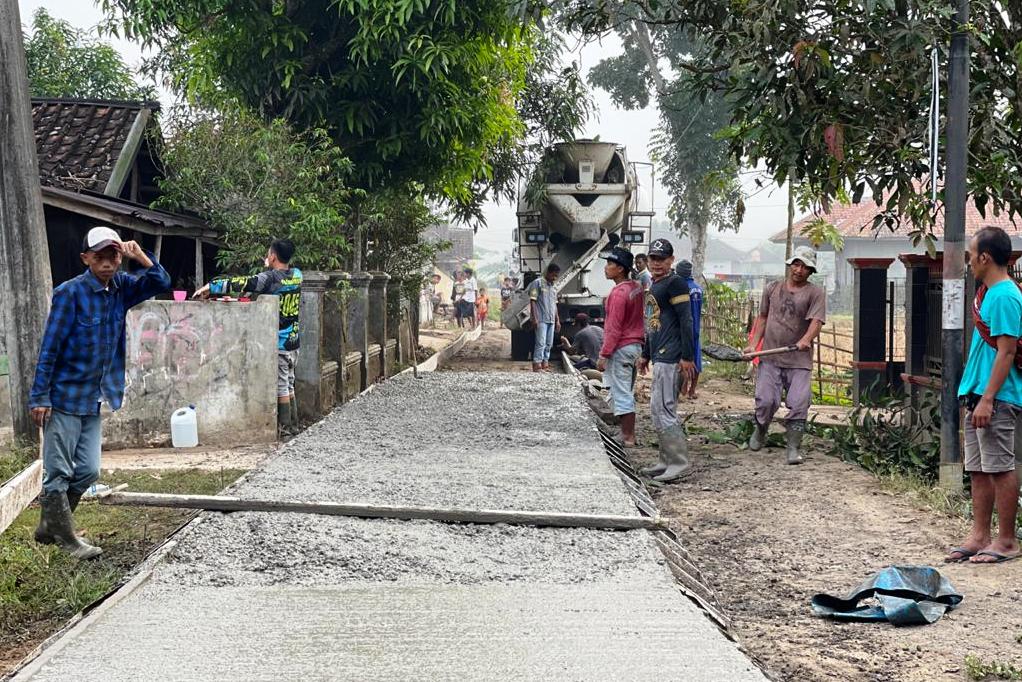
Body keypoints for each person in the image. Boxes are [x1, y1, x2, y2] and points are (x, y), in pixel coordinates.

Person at [30, 226, 171, 559]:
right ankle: (67, 541)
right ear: (86, 259)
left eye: (114, 255)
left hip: (94, 395)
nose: (108, 263)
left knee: (89, 471)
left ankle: (49, 525)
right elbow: (50, 347)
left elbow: (160, 282)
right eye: (100, 256)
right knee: (59, 471)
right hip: (64, 395)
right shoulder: (70, 293)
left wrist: (140, 255)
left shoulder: (121, 288)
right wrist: (40, 396)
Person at [946, 226, 1022, 564]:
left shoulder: (1005, 296)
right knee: (978, 468)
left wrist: (989, 398)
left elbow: (1007, 352)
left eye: (971, 255)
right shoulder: (988, 293)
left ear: (984, 257)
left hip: (998, 396)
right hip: (977, 391)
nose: (969, 261)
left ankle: (1006, 540)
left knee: (1000, 467)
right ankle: (980, 535)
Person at [194, 239, 303, 435]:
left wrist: (212, 286)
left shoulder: (269, 278)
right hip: (294, 342)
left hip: (278, 343)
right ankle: (295, 426)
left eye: (268, 253)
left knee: (281, 387)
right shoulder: (297, 275)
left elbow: (244, 282)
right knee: (289, 383)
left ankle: (286, 430)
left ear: (273, 256)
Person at [744, 245, 825, 465]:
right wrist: (753, 345)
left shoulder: (815, 293)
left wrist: (806, 340)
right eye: (796, 264)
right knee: (766, 400)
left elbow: (816, 322)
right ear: (790, 265)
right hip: (770, 357)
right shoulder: (772, 289)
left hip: (799, 360)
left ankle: (793, 447)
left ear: (810, 272)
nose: (799, 270)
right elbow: (762, 318)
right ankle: (760, 430)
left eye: (805, 267)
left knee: (799, 402)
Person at [637, 238, 697, 482]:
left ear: (671, 260)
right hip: (659, 353)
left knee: (665, 408)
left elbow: (687, 320)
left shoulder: (676, 284)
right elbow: (653, 323)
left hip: (672, 355)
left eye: (661, 259)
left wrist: (687, 356)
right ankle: (665, 460)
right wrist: (646, 353)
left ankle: (679, 462)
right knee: (656, 409)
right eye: (653, 258)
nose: (656, 263)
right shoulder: (654, 285)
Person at [596, 247, 645, 447]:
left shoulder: (618, 293)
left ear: (621, 269)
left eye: (610, 264)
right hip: (635, 346)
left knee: (622, 391)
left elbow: (614, 328)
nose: (606, 268)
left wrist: (604, 354)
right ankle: (627, 433)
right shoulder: (636, 288)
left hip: (622, 347)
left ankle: (628, 436)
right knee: (627, 389)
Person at [675, 260, 703, 399]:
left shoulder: (680, 289)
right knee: (696, 359)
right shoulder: (697, 288)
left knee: (684, 359)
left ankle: (683, 389)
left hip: (683, 329)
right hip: (696, 328)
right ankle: (692, 390)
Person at [527, 263, 561, 372]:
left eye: (556, 276)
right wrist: (534, 318)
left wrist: (557, 320)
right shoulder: (537, 283)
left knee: (549, 343)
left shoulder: (553, 287)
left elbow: (554, 305)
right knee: (540, 342)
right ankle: (537, 365)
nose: (555, 278)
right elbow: (533, 301)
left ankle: (545, 364)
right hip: (541, 319)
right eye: (553, 275)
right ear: (548, 272)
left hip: (551, 320)